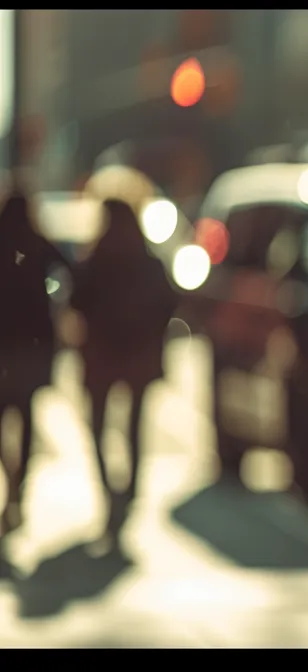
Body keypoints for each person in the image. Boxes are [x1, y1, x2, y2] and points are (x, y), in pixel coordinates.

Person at [69, 198, 179, 544]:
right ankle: (130, 490)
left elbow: (76, 301)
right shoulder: (147, 261)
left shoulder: (96, 260)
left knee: (98, 425)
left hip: (102, 356)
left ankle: (110, 490)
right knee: (134, 427)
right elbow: (169, 303)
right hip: (137, 357)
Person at [0, 187, 73, 536]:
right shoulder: (38, 241)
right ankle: (19, 486)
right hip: (32, 344)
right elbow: (71, 271)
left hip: (3, 344)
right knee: (26, 416)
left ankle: (11, 475)